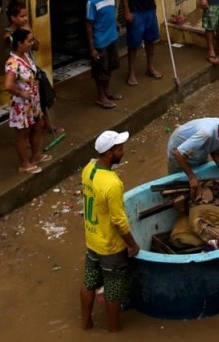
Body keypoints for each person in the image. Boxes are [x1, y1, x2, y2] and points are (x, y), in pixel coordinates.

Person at [80, 130, 140, 333]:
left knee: (89, 282)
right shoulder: (113, 183)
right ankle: (114, 330)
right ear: (109, 153)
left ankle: (86, 323)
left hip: (91, 239)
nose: (123, 152)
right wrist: (132, 244)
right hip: (110, 246)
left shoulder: (88, 169)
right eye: (119, 149)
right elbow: (119, 222)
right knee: (113, 292)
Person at [4, 0, 62, 144]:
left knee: (43, 96)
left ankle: (46, 124)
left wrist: (31, 34)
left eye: (25, 16)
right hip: (20, 73)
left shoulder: (26, 29)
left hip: (31, 68)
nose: (25, 19)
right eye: (21, 16)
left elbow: (36, 46)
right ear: (13, 18)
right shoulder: (8, 35)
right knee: (27, 108)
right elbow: (12, 48)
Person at [166, 116, 219, 195]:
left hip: (197, 145)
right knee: (179, 178)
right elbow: (178, 153)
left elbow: (215, 152)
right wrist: (191, 177)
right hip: (179, 144)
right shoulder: (206, 134)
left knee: (200, 169)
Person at [4, 28, 48, 174]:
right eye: (28, 41)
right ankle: (24, 163)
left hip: (33, 101)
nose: (31, 43)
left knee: (39, 125)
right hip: (21, 104)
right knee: (23, 132)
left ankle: (36, 155)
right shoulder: (13, 63)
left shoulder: (27, 56)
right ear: (19, 43)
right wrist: (21, 92)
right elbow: (8, 85)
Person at [86, 0, 124, 109]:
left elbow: (110, 12)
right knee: (100, 70)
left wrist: (115, 22)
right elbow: (89, 25)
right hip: (100, 40)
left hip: (111, 36)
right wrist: (92, 47)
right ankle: (101, 96)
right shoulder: (92, 1)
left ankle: (106, 90)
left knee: (111, 66)